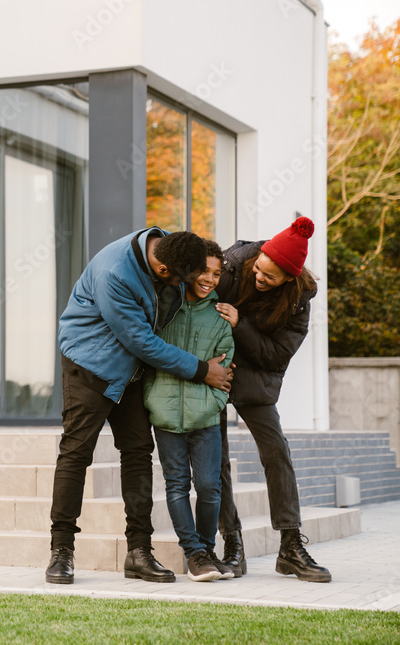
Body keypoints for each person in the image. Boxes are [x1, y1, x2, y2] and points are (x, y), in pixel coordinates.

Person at [45, 228, 233, 585]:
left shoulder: (170, 248)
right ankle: (61, 551)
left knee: (137, 453)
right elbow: (142, 342)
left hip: (131, 371)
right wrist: (202, 370)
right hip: (91, 368)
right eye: (184, 281)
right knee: (76, 454)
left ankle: (139, 552)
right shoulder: (113, 273)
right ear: (164, 271)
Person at [213, 216, 331, 583]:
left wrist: (240, 325)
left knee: (276, 451)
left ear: (289, 280)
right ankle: (232, 544)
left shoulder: (298, 303)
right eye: (260, 270)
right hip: (211, 371)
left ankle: (290, 547)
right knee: (214, 458)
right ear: (258, 256)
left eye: (270, 278)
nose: (260, 278)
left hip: (254, 377)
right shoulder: (232, 264)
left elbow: (276, 357)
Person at [144, 240, 235, 582]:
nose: (209, 278)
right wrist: (154, 397)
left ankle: (207, 550)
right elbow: (151, 356)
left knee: (210, 486)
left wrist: (212, 403)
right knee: (177, 485)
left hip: (205, 418)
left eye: (216, 273)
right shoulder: (165, 308)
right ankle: (193, 553)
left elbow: (224, 371)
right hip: (165, 414)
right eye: (203, 271)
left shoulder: (221, 317)